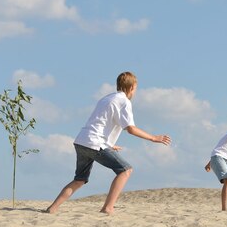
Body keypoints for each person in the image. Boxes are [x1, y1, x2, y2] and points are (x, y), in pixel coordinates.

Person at [46, 72, 171, 214]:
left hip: (82, 141)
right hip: (95, 142)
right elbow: (130, 129)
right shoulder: (124, 101)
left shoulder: (106, 98)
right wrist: (153, 138)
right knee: (125, 170)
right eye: (135, 88)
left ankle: (52, 208)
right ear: (131, 87)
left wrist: (109, 144)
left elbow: (101, 123)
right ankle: (108, 207)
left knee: (79, 179)